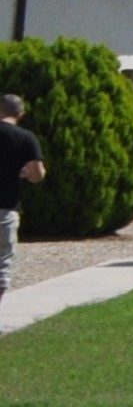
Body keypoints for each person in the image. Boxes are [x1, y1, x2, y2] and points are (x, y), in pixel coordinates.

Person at [0, 91, 42, 302]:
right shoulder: (26, 138)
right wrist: (25, 173)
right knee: (2, 266)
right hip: (6, 208)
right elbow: (37, 175)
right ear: (21, 114)